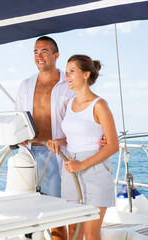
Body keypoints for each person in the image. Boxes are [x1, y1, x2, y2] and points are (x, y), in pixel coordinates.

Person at [47, 54, 119, 240]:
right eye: (67, 72)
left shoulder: (99, 105)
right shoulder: (69, 103)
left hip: (94, 171)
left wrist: (81, 165)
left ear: (86, 75)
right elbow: (70, 138)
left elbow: (113, 145)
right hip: (71, 169)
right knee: (73, 233)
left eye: (72, 71)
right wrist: (58, 142)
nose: (67, 76)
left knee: (91, 234)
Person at [15, 36, 75, 240]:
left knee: (57, 214)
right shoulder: (25, 85)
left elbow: (82, 117)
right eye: (35, 52)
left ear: (56, 56)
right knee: (31, 213)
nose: (39, 56)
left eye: (44, 51)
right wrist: (19, 136)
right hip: (31, 154)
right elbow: (18, 119)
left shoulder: (68, 85)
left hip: (58, 155)